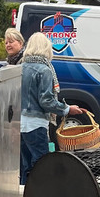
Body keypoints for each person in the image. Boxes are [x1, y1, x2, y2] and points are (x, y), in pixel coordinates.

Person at [19, 32, 85, 184]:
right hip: (36, 124)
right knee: (41, 165)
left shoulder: (20, 67)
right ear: (45, 48)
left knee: (25, 166)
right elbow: (46, 101)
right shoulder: (44, 70)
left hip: (21, 124)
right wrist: (67, 109)